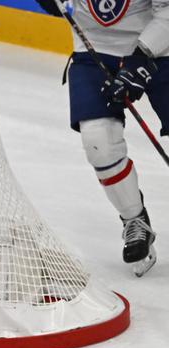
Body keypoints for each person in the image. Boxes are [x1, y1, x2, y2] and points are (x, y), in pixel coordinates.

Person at [35, 0, 165, 276]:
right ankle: (135, 221)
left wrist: (143, 54)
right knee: (99, 142)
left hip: (160, 50)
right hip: (94, 49)